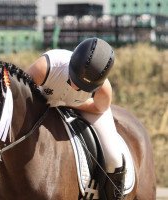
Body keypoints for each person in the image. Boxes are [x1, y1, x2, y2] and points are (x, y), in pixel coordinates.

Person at [27, 37, 126, 200]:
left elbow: (99, 107)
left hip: (82, 107)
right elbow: (22, 97)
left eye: (84, 86)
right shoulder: (46, 66)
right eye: (75, 79)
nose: (76, 87)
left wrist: (67, 103)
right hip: (40, 106)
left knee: (114, 156)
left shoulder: (104, 89)